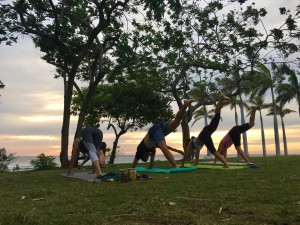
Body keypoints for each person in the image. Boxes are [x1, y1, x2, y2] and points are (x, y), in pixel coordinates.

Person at [132, 99, 197, 169]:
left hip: (153, 131)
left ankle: (175, 166)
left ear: (143, 155)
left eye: (147, 156)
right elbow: (153, 157)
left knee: (164, 148)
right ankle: (185, 105)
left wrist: (131, 169)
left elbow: (135, 161)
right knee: (177, 122)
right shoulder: (152, 151)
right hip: (160, 127)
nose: (149, 155)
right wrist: (150, 167)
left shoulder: (140, 149)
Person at [181, 95, 230, 168]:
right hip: (206, 132)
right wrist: (196, 164)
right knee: (217, 115)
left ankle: (225, 163)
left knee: (213, 151)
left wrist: (182, 165)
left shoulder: (191, 143)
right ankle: (221, 100)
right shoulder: (195, 147)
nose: (188, 150)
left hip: (204, 134)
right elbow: (197, 155)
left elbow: (186, 154)